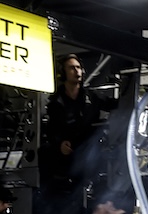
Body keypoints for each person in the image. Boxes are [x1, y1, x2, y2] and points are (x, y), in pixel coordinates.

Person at [42, 54, 105, 194]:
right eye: (72, 68)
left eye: (78, 67)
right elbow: (52, 129)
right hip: (68, 151)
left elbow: (114, 104)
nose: (77, 71)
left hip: (89, 148)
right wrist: (60, 144)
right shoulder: (55, 102)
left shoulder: (91, 97)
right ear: (62, 73)